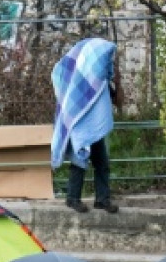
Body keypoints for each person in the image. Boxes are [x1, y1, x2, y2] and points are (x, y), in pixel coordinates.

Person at [51, 37, 120, 214]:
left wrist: (114, 84)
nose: (109, 61)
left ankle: (102, 200)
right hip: (81, 128)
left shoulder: (102, 81)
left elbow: (113, 98)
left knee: (102, 163)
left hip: (95, 129)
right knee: (79, 161)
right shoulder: (81, 80)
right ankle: (72, 198)